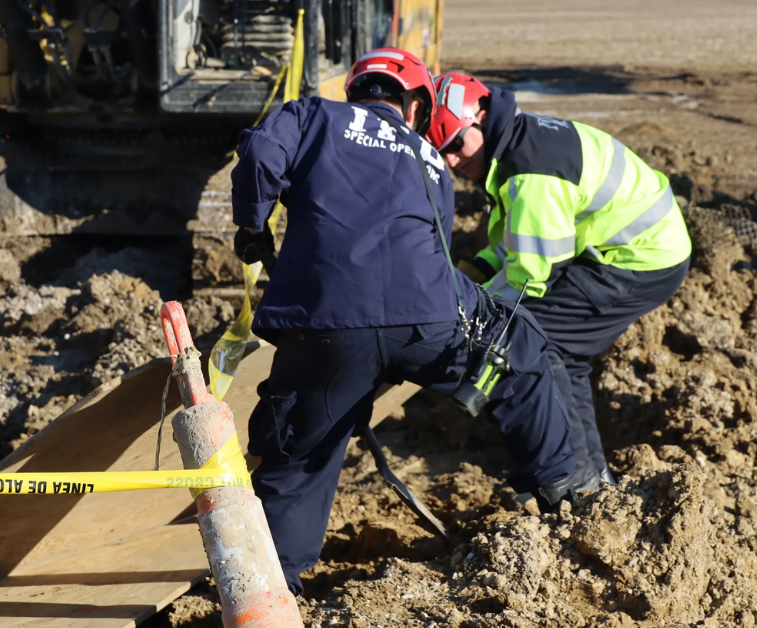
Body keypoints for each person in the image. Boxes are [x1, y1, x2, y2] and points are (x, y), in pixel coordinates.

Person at [231, 49, 579, 595]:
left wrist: (253, 229)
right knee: (523, 354)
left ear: (358, 92)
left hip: (326, 325)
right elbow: (432, 247)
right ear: (415, 102)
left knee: (300, 457)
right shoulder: (431, 158)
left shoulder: (312, 116)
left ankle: (271, 592)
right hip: (430, 323)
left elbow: (259, 154)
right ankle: (566, 496)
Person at [424, 73, 692, 489]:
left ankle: (571, 477)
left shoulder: (529, 175)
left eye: (457, 144)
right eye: (443, 153)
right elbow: (518, 242)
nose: (454, 162)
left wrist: (466, 316)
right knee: (562, 352)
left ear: (481, 117)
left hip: (639, 257)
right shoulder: (519, 144)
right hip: (635, 248)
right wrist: (472, 276)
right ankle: (592, 479)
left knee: (533, 338)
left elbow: (530, 278)